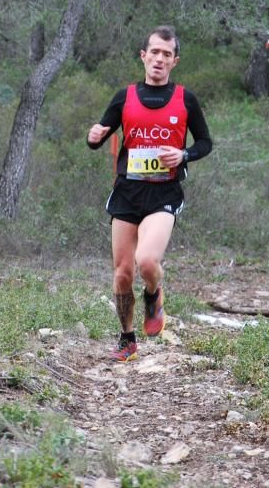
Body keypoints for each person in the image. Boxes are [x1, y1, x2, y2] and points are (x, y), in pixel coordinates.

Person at [87, 25, 213, 362]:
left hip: (164, 192)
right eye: (154, 52)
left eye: (166, 54)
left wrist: (184, 154)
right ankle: (127, 339)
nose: (159, 59)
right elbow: (98, 137)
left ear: (175, 62)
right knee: (123, 272)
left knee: (146, 261)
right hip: (128, 191)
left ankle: (154, 294)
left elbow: (205, 143)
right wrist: (94, 135)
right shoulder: (124, 96)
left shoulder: (185, 99)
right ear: (143, 56)